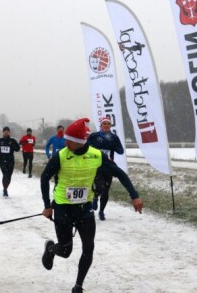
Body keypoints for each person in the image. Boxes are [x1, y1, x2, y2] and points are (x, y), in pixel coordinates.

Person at [40, 118, 143, 293]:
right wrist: (47, 205)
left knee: (89, 247)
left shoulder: (96, 156)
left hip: (85, 208)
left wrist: (134, 196)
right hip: (63, 207)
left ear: (79, 142)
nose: (65, 142)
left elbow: (119, 173)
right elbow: (44, 178)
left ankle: (78, 286)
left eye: (69, 140)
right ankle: (50, 248)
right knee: (66, 251)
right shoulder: (61, 156)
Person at [87, 117, 125, 221]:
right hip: (97, 165)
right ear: (101, 125)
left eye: (108, 124)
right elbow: (86, 147)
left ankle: (101, 211)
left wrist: (114, 146)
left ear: (110, 126)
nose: (107, 125)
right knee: (100, 186)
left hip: (109, 166)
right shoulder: (94, 136)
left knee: (106, 190)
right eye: (104, 123)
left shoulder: (114, 137)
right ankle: (95, 197)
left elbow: (121, 151)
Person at [0, 126, 20, 197]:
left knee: (9, 176)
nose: (6, 133)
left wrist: (12, 146)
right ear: (2, 133)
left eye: (7, 132)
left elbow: (18, 149)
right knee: (5, 174)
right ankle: (5, 189)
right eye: (5, 132)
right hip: (2, 160)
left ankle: (6, 187)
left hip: (10, 160)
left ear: (9, 132)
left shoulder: (13, 140)